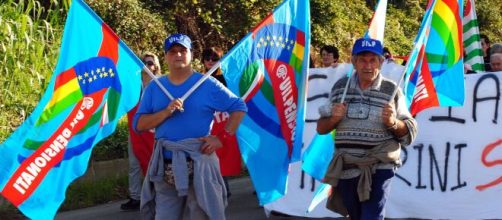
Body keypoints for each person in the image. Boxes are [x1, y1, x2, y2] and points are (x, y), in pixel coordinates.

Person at [135, 33, 247, 220]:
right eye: (172, 51)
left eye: (182, 51)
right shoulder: (155, 87)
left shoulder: (206, 84)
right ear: (165, 56)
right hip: (165, 165)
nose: (178, 55)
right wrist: (165, 112)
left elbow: (239, 107)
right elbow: (139, 125)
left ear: (191, 55)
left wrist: (222, 138)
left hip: (200, 162)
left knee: (203, 215)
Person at [317, 37, 418, 220]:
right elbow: (321, 128)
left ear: (381, 62)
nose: (368, 65)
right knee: (355, 216)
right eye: (362, 60)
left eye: (373, 60)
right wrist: (333, 118)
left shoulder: (392, 90)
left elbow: (409, 132)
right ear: (354, 62)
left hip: (380, 166)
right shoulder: (341, 87)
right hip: (346, 167)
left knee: (371, 216)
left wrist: (393, 122)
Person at [121, 52, 161, 211]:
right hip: (136, 131)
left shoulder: (161, 85)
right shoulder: (133, 85)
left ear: (156, 66)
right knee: (134, 164)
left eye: (150, 62)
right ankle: (135, 197)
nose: (147, 65)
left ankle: (159, 194)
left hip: (155, 131)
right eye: (144, 62)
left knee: (155, 163)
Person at [201, 47, 243, 198]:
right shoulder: (200, 80)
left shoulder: (229, 78)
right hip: (211, 123)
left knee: (229, 154)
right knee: (214, 154)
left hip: (227, 122)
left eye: (214, 59)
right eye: (207, 58)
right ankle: (222, 189)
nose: (210, 62)